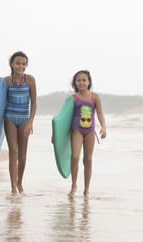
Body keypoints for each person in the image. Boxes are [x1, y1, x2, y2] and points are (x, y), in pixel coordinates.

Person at [0, 51, 37, 196]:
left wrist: (31, 122)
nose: (21, 66)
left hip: (24, 118)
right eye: (18, 63)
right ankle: (13, 188)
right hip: (9, 117)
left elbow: (34, 102)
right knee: (13, 152)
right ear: (12, 64)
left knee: (23, 156)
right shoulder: (6, 81)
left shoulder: (30, 80)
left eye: (23, 64)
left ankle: (20, 183)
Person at [54, 70, 106, 198]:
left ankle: (86, 190)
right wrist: (55, 134)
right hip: (76, 130)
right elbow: (62, 117)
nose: (81, 82)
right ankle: (74, 185)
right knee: (75, 157)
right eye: (79, 80)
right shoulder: (72, 98)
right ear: (75, 83)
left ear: (89, 82)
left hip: (90, 131)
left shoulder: (95, 97)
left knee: (88, 159)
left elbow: (99, 113)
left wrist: (103, 127)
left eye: (84, 80)